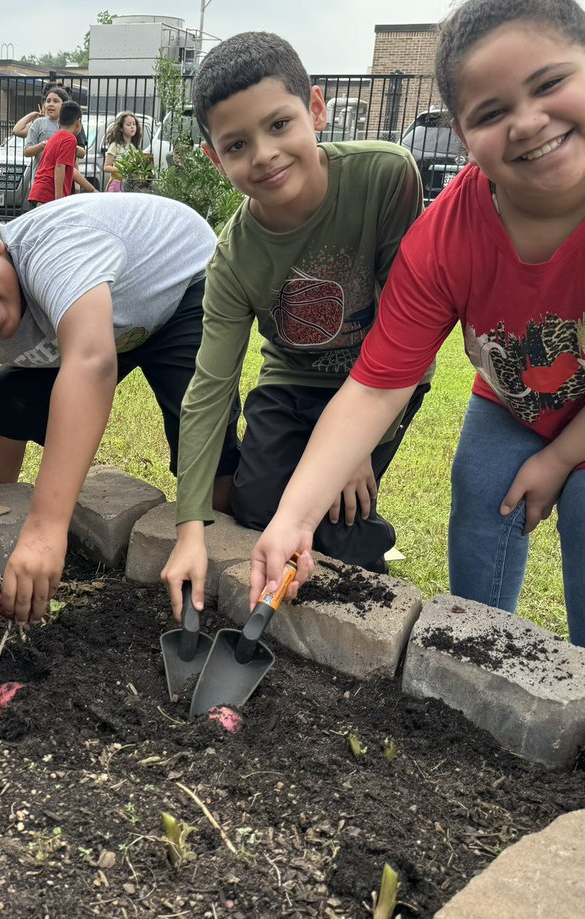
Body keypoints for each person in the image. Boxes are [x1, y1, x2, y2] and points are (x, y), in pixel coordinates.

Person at [250, 0, 585, 650]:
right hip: (515, 394)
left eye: (550, 84)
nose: (527, 122)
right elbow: (376, 385)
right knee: (482, 490)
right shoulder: (443, 239)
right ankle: (478, 664)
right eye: (491, 113)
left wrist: (560, 458)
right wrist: (293, 516)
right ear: (464, 138)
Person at [160, 31, 429, 623]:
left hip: (383, 374)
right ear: (214, 157)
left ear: (316, 108)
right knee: (258, 507)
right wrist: (190, 525)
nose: (263, 154)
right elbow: (209, 391)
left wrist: (357, 444)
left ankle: (367, 562)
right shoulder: (232, 259)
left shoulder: (386, 177)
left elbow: (409, 322)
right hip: (292, 379)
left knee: (337, 514)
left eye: (279, 124)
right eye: (236, 144)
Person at [0, 194, 225, 623]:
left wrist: (45, 529)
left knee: (206, 453)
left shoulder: (55, 250)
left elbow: (92, 366)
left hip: (179, 289)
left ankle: (222, 569)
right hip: (98, 326)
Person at [11, 85, 93, 201]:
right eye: (48, 101)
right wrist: (42, 145)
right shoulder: (39, 123)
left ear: (64, 105)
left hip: (65, 180)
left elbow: (78, 156)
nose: (50, 104)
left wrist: (69, 147)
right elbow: (24, 146)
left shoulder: (72, 124)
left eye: (55, 101)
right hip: (44, 181)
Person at [28, 101, 89, 204]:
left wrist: (91, 189)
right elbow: (60, 167)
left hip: (40, 191)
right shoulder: (70, 139)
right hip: (49, 195)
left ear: (59, 122)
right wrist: (58, 201)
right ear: (78, 123)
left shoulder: (55, 137)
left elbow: (71, 170)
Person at [102, 112, 143, 192]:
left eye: (134, 124)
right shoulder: (115, 146)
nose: (132, 127)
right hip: (116, 184)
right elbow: (106, 167)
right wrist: (122, 169)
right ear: (121, 128)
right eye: (128, 124)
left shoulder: (134, 147)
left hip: (130, 185)